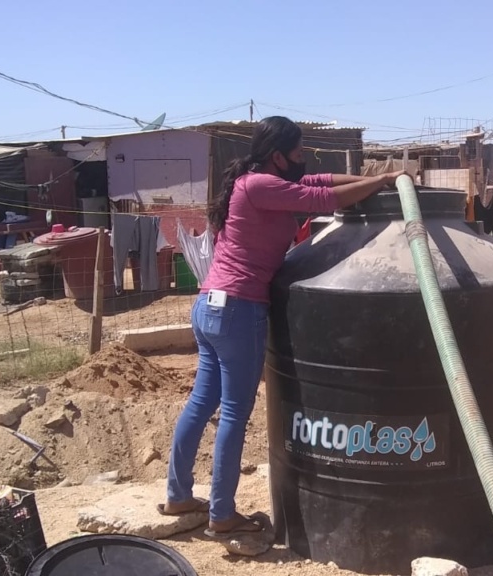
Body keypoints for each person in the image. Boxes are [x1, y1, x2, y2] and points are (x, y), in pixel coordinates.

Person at [158, 116, 404, 539]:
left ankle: (179, 495)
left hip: (210, 306)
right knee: (234, 413)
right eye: (297, 152)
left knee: (201, 403)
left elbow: (321, 179)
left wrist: (378, 176)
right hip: (239, 310)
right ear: (277, 156)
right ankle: (221, 513)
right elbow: (324, 199)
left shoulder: (254, 181)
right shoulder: (262, 186)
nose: (302, 158)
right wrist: (381, 184)